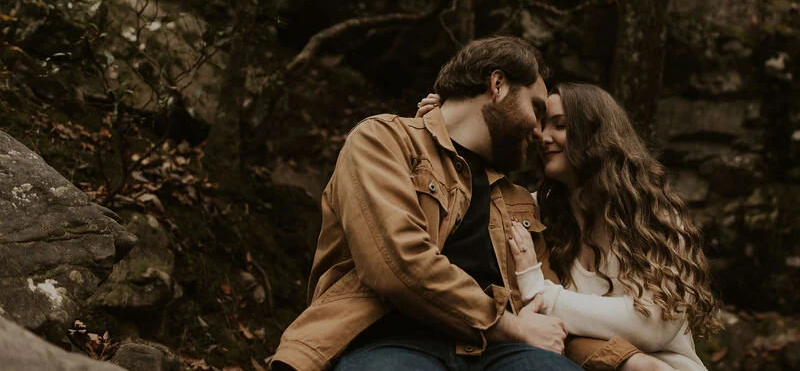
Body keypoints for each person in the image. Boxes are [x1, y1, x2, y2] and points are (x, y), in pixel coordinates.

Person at [271, 37, 666, 371]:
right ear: (497, 85)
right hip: (392, 340)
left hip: (502, 354)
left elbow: (544, 311)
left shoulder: (517, 201)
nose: (539, 131)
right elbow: (396, 264)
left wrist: (626, 361)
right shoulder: (384, 141)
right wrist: (509, 325)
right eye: (537, 110)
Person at [418, 83, 718, 371]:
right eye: (542, 125)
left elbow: (653, 325)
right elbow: (473, 196)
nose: (543, 137)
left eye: (559, 125)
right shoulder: (532, 213)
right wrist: (447, 128)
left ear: (596, 133)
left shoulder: (653, 217)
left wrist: (540, 291)